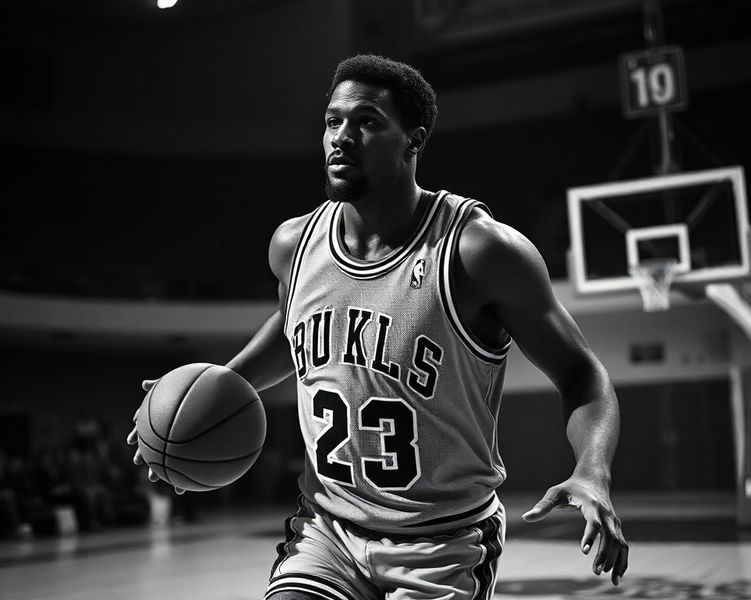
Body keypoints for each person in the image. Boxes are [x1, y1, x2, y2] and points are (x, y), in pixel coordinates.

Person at [128, 54, 628, 599]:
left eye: (366, 122)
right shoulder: (294, 246)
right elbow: (294, 327)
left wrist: (593, 472)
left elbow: (582, 375)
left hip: (442, 542)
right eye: (333, 121)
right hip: (327, 531)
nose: (342, 137)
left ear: (413, 141)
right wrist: (212, 393)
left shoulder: (478, 252)